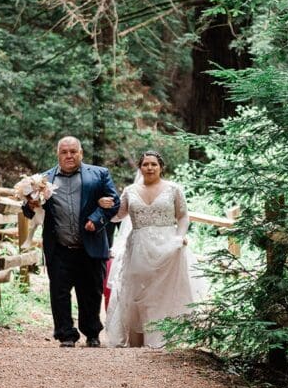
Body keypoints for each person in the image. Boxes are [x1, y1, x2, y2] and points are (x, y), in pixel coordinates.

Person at [22, 136, 120, 347]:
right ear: (58, 154)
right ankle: (66, 334)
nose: (69, 155)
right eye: (64, 152)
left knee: (91, 293)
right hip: (59, 247)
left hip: (90, 246)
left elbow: (114, 202)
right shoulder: (43, 179)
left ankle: (92, 333)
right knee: (59, 293)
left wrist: (96, 219)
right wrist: (30, 205)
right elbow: (28, 210)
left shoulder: (99, 174)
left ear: (80, 153)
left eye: (73, 151)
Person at [105, 150, 204, 348]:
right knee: (137, 290)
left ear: (161, 167)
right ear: (140, 167)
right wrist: (105, 206)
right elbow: (118, 215)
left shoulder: (173, 189)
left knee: (163, 292)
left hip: (167, 245)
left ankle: (161, 339)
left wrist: (180, 236)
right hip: (139, 246)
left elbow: (183, 216)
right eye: (145, 164)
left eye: (153, 164)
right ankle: (137, 340)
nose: (149, 168)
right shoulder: (130, 191)